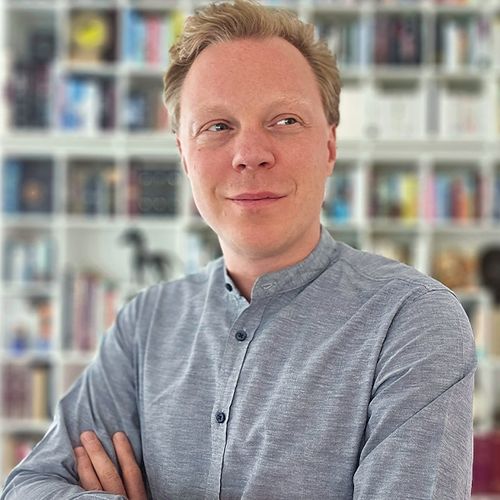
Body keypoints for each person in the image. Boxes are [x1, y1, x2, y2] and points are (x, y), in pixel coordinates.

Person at [1, 1, 477, 498]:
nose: (250, 154)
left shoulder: (412, 321)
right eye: (217, 126)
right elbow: (28, 487)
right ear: (184, 155)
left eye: (285, 120)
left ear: (330, 146)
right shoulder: (146, 323)